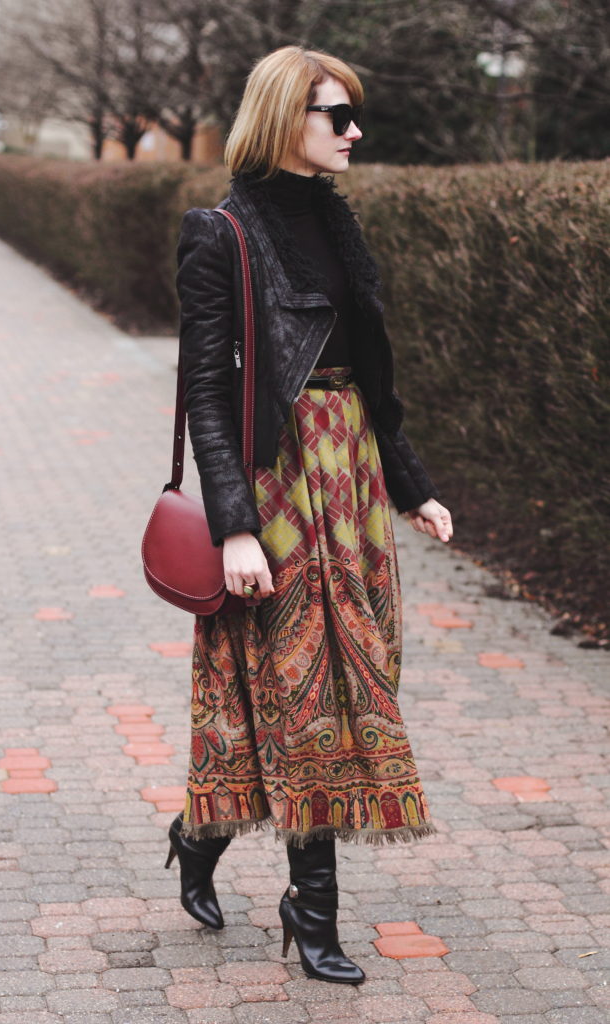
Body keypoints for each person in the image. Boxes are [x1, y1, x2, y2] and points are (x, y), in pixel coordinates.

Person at [166, 45, 453, 985]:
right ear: (287, 118)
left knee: (348, 677)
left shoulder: (337, 220)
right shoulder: (221, 232)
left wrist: (409, 485)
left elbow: (374, 379)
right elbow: (208, 394)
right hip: (279, 488)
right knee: (304, 693)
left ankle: (199, 831)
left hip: (353, 482)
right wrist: (235, 523)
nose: (353, 132)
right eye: (337, 116)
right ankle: (311, 909)